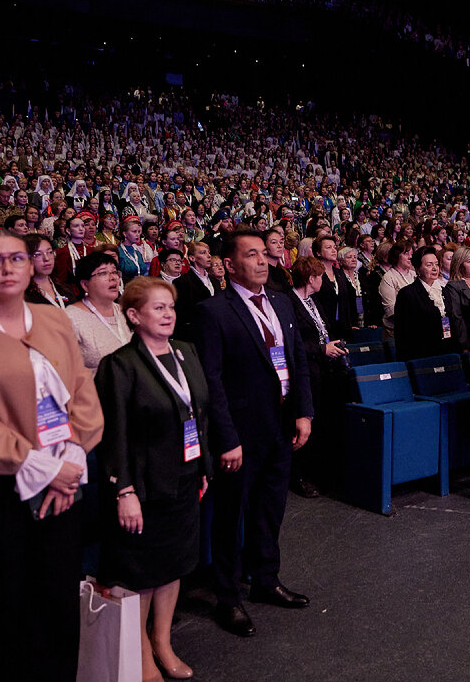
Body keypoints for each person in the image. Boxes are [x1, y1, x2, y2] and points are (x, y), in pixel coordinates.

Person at [0, 231, 104, 682]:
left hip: (64, 483)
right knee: (4, 609)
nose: (7, 268)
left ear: (31, 266)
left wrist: (70, 462)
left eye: (16, 259)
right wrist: (48, 470)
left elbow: (82, 392)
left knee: (55, 607)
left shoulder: (53, 320)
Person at [193, 229, 313, 639]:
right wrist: (226, 438)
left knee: (270, 510)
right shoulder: (213, 311)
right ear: (228, 264)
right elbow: (212, 381)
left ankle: (266, 579)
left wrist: (304, 413)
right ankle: (228, 597)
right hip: (241, 435)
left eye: (264, 254)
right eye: (251, 255)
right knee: (230, 518)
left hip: (281, 426)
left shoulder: (281, 301)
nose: (263, 261)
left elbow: (296, 359)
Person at [94, 276, 212, 682]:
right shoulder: (119, 365)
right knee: (143, 573)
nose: (168, 314)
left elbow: (201, 415)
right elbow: (116, 435)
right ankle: (142, 650)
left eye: (171, 307)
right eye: (158, 308)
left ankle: (162, 641)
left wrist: (204, 467)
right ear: (133, 315)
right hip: (143, 487)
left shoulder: (186, 352)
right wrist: (124, 490)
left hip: (185, 477)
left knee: (175, 564)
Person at [288, 256, 348, 498]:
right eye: (321, 276)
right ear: (311, 278)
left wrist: (331, 345)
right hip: (305, 374)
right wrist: (322, 349)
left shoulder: (313, 302)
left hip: (323, 372)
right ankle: (299, 475)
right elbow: (292, 344)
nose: (324, 280)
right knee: (305, 426)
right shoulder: (290, 303)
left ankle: (318, 471)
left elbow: (322, 332)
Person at [67, 252, 130, 370]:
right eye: (103, 273)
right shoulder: (71, 318)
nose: (113, 278)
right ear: (85, 285)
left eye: (114, 272)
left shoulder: (124, 311)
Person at [393, 246, 455, 362]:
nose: (434, 268)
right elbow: (403, 334)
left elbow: (447, 321)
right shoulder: (407, 294)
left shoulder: (444, 291)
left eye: (436, 264)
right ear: (417, 269)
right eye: (429, 265)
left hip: (446, 351)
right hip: (421, 356)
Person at [173, 241, 220, 342]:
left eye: (209, 252)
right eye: (203, 253)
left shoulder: (215, 281)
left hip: (216, 333)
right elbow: (181, 316)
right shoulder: (182, 282)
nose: (209, 256)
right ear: (192, 258)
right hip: (195, 336)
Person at [442, 245, 470, 352]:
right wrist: (464, 345)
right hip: (468, 341)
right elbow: (456, 317)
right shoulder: (453, 286)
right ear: (459, 265)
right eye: (469, 261)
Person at [377, 240, 416, 337]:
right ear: (397, 255)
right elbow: (392, 311)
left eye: (412, 254)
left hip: (415, 328)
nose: (410, 257)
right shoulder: (389, 278)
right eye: (406, 254)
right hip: (395, 332)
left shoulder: (414, 275)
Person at [24, 234, 73, 308]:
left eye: (50, 252)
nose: (46, 258)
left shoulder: (64, 288)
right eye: (37, 254)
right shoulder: (22, 295)